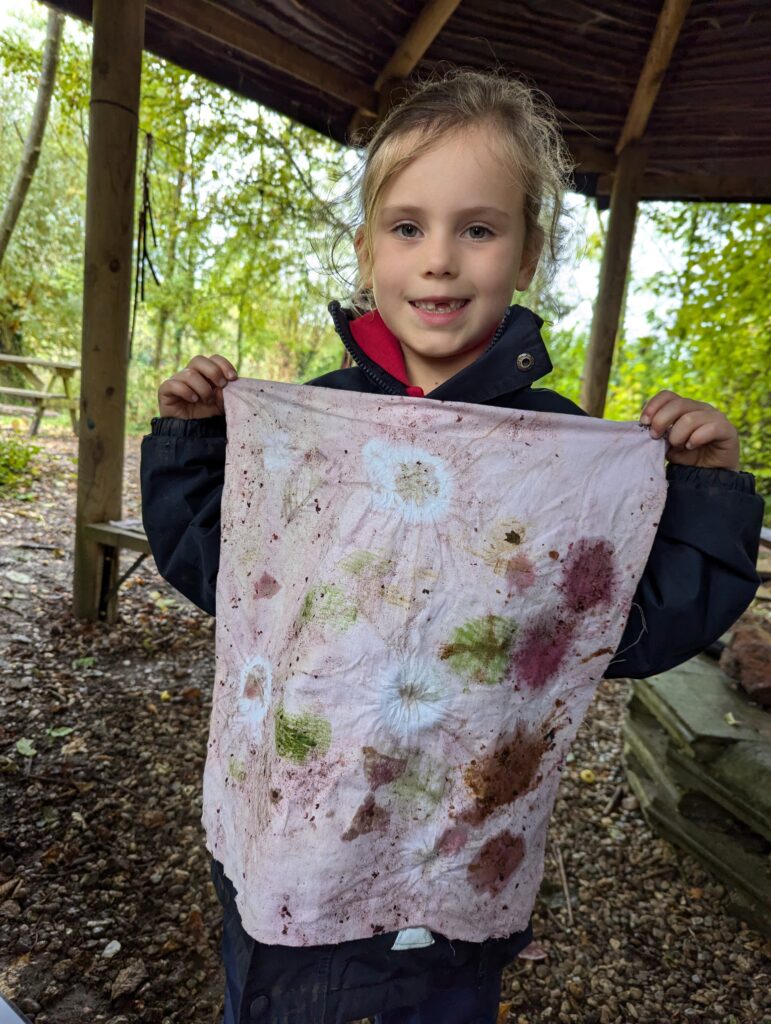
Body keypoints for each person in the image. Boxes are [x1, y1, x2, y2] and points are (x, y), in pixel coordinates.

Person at [140, 70, 762, 1024]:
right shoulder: (314, 426)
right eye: (406, 227)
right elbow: (230, 579)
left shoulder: (563, 464)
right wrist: (190, 445)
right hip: (282, 850)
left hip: (433, 894)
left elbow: (628, 632)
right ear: (366, 251)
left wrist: (708, 489)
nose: (439, 259)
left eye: (477, 228)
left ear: (526, 254)